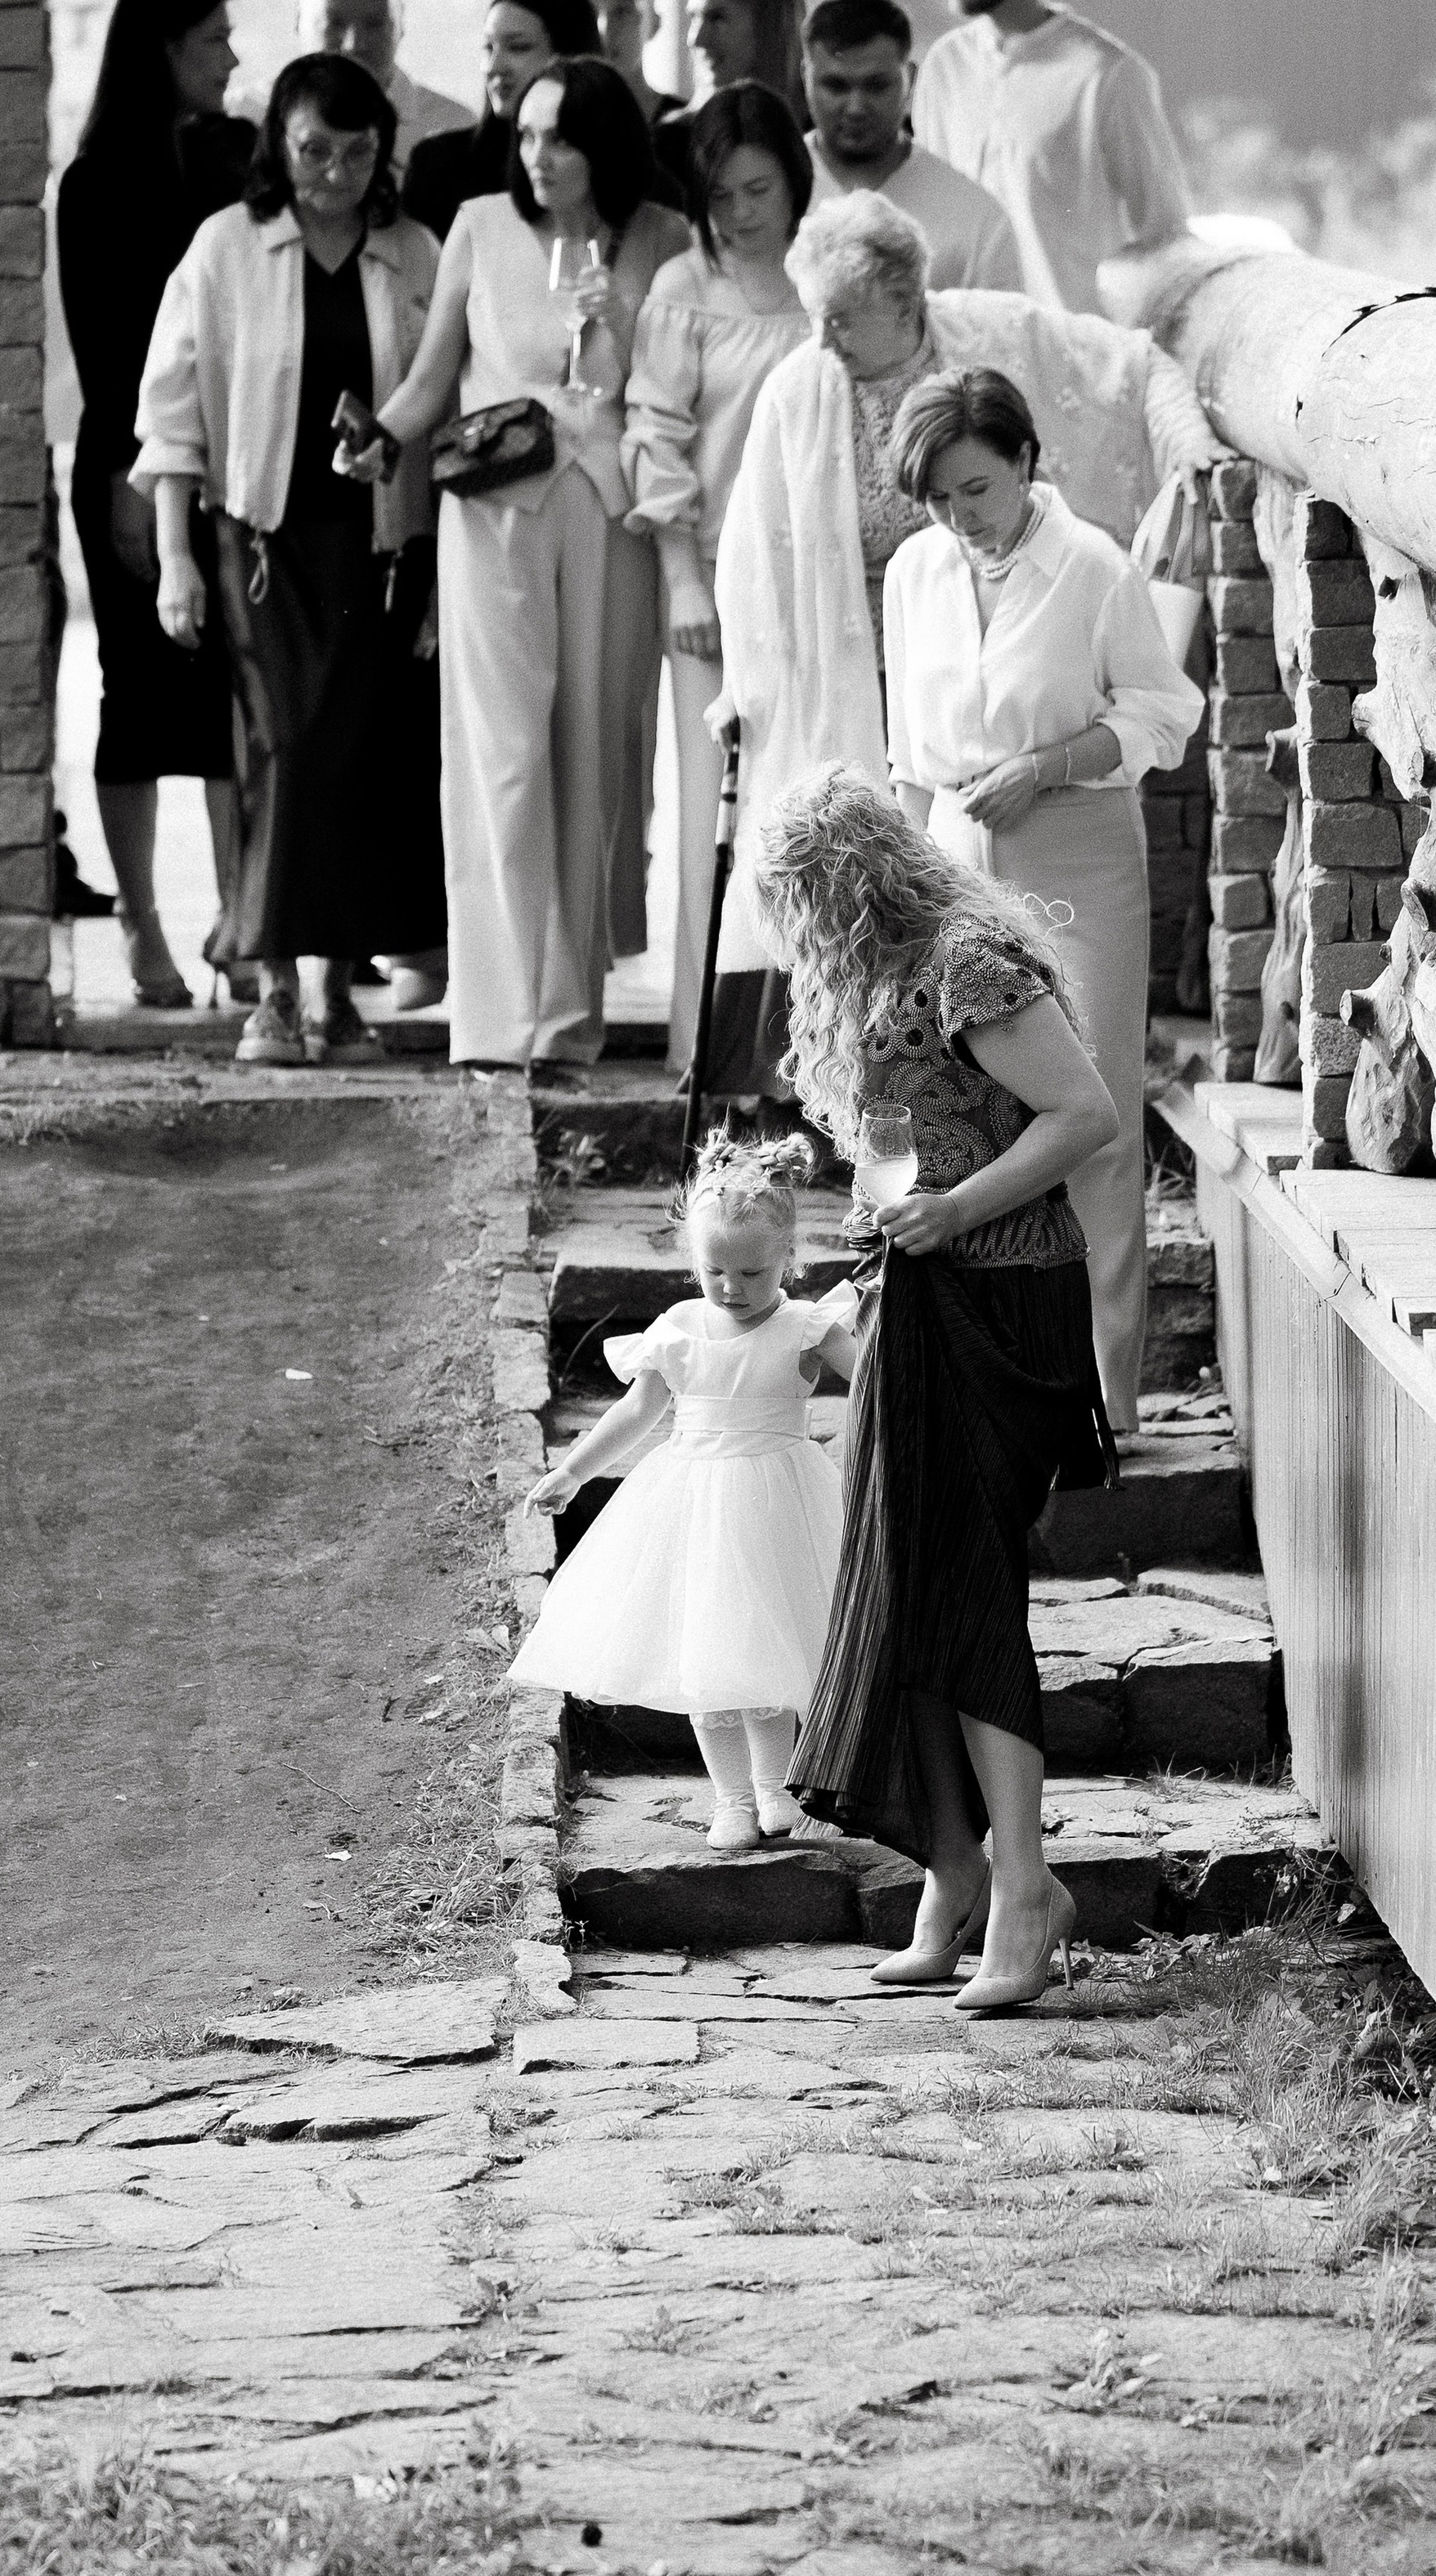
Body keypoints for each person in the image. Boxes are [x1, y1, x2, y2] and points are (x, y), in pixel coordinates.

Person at [756, 764, 1119, 2014]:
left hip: (1004, 1302)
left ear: (847, 889)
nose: (798, 934)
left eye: (803, 904)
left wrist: (954, 1208)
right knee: (900, 1576)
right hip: (915, 1296)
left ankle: (1028, 1888)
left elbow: (1084, 1115)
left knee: (965, 1590)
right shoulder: (880, 972)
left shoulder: (967, 960)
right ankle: (954, 1873)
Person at [709, 194, 1217, 1024]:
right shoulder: (799, 386)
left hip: (1000, 650)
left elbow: (1130, 365)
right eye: (814, 317)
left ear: (905, 303)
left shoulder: (991, 337)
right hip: (852, 667)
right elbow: (752, 556)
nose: (821, 339)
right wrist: (744, 681)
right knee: (854, 886)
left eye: (840, 318)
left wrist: (1190, 450)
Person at [885, 368, 1202, 1431]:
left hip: (1077, 858)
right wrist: (910, 894)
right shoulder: (916, 573)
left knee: (1094, 1120)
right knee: (972, 1114)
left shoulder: (1093, 567)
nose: (956, 517)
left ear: (1025, 462)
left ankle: (1105, 1409)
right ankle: (984, 1387)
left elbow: (1165, 714)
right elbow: (908, 759)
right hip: (951, 865)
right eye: (936, 498)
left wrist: (1050, 766)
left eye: (974, 489)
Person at [363, 57, 691, 1076]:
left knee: (592, 756)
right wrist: (379, 443)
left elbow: (668, 384)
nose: (536, 155)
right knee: (498, 757)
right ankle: (496, 1019)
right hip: (493, 510)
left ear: (606, 147)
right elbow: (430, 379)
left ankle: (567, 1016)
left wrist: (624, 319)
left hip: (608, 510)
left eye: (560, 137)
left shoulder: (662, 238)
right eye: (529, 133)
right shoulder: (477, 224)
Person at [132, 53, 444, 1066]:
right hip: (259, 544)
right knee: (284, 752)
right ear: (279, 142)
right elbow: (171, 418)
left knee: (356, 767)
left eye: (360, 153)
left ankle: (337, 995)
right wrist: (175, 559)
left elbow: (446, 405)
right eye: (315, 149)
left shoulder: (414, 251)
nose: (337, 173)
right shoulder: (226, 248)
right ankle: (269, 985)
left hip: (379, 550)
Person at [512, 1133, 859, 1851]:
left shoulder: (806, 1325)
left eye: (753, 1274)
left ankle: (775, 1789)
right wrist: (572, 1470)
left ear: (789, 1261)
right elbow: (638, 1411)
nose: (731, 1288)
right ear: (692, 1262)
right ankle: (731, 1799)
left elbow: (878, 1384)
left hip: (781, 1497)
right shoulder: (678, 1329)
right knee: (708, 1653)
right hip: (697, 1502)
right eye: (715, 1271)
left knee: (770, 1653)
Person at [56, 0, 252, 1006]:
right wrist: (139, 481)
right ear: (164, 49)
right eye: (215, 38)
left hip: (229, 463)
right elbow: (105, 348)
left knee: (231, 696)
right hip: (128, 463)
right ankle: (139, 921)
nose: (233, 56)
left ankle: (238, 916)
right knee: (135, 695)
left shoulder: (235, 158)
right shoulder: (94, 183)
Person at [623, 84, 813, 1074]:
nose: (741, 213)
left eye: (758, 188)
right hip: (707, 586)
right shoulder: (681, 286)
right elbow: (652, 436)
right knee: (714, 816)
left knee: (809, 814)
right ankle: (710, 1051)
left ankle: (802, 1056)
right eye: (721, 195)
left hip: (816, 589)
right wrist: (680, 581)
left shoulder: (826, 276)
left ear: (793, 178)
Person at [914, 0, 1191, 316]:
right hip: (961, 358)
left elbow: (1166, 238)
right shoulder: (943, 67)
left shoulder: (1108, 76)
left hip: (1074, 360)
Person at [803, 0, 1019, 294]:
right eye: (836, 86)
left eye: (876, 86)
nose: (855, 107)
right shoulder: (754, 194)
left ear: (911, 79)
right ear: (805, 78)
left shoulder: (977, 218)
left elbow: (1003, 338)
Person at [401, 0, 604, 244]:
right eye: (489, 47)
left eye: (518, 47)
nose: (494, 66)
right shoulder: (439, 163)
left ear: (570, 54)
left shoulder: (629, 171)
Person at [296, 0, 469, 172]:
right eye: (334, 23)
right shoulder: (249, 118)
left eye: (374, 24)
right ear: (298, 20)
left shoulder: (454, 131)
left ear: (401, 23)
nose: (353, 45)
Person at [653, 0, 810, 195]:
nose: (696, 38)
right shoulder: (673, 145)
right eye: (694, 17)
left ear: (770, 26)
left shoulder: (824, 136)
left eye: (716, 18)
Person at [587, 0, 683, 129]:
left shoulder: (687, 128)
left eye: (622, 11)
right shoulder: (553, 125)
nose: (604, 28)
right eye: (590, 12)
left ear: (654, 24)